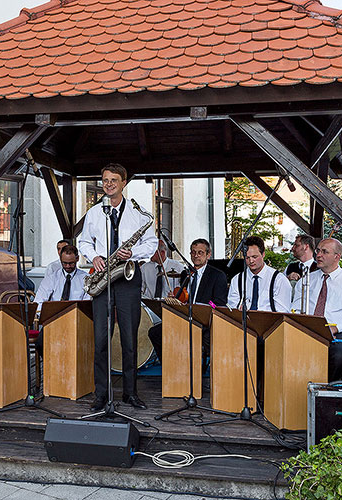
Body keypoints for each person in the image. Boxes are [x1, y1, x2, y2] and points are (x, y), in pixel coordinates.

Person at [79, 163, 157, 411]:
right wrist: (94, 257)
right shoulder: (93, 213)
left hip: (127, 278)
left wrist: (132, 252)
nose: (108, 184)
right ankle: (101, 394)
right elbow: (82, 241)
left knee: (129, 339)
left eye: (114, 180)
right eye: (105, 180)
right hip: (103, 278)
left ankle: (130, 393)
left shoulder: (139, 214)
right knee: (101, 339)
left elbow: (152, 243)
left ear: (124, 183)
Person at [147, 238, 228, 364]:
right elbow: (185, 298)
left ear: (208, 255)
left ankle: (203, 368)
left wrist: (206, 304)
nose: (196, 256)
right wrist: (176, 299)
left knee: (205, 337)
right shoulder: (186, 273)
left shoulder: (217, 275)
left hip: (204, 323)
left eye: (200, 252)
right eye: (193, 252)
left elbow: (219, 304)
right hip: (185, 318)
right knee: (155, 332)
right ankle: (170, 366)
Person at [291, 238, 342, 381]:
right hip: (308, 330)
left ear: (337, 256)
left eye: (324, 252)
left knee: (339, 355)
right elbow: (293, 309)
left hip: (337, 332)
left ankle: (326, 389)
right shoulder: (306, 280)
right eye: (318, 250)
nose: (318, 255)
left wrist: (336, 328)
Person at [32, 244, 89, 358]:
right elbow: (38, 301)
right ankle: (51, 368)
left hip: (76, 322)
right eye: (64, 263)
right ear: (60, 260)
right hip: (54, 321)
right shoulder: (52, 278)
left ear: (77, 259)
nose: (67, 266)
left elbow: (87, 304)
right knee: (40, 343)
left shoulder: (86, 278)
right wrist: (45, 314)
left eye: (71, 263)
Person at [228, 235, 292, 313]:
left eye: (254, 257)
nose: (251, 261)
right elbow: (232, 309)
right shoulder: (237, 280)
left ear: (263, 254)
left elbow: (283, 313)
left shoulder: (279, 280)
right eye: (247, 258)